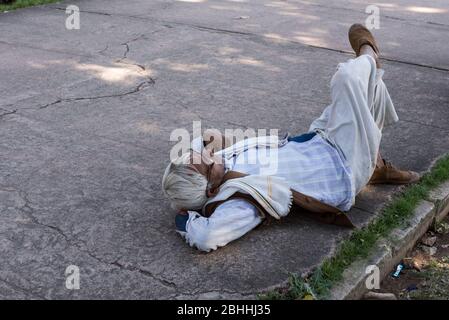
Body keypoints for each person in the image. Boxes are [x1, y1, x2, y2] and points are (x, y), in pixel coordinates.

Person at [162, 24, 420, 252]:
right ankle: (370, 54)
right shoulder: (237, 202)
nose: (209, 155)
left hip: (318, 140)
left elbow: (199, 150)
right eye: (206, 161)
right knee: (347, 79)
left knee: (366, 92)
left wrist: (208, 144)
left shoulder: (212, 166)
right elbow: (207, 237)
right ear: (211, 188)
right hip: (342, 166)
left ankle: (375, 164)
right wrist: (184, 217)